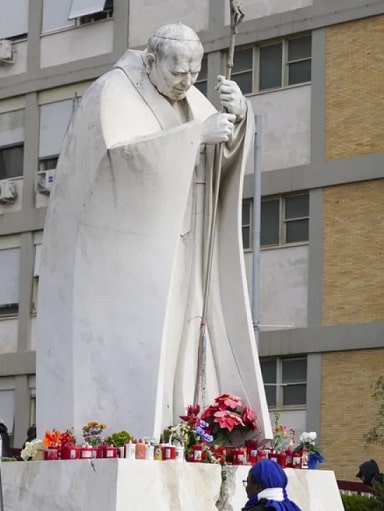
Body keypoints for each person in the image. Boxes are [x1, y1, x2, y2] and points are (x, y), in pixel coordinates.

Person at [36, 22, 271, 441]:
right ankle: (148, 431)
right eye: (178, 72)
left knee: (189, 337)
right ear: (150, 61)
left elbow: (216, 162)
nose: (187, 82)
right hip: (135, 260)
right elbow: (114, 162)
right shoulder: (111, 93)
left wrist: (238, 120)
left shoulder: (193, 100)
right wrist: (195, 137)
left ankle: (187, 426)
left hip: (188, 246)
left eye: (194, 73)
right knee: (153, 343)